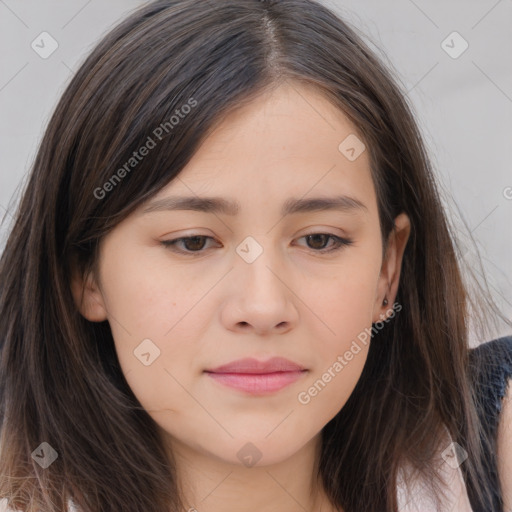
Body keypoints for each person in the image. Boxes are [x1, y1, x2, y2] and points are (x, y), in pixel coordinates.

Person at [0, 1, 511, 511]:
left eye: (319, 240)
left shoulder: (490, 446)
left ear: (387, 270)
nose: (264, 307)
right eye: (192, 242)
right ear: (85, 275)